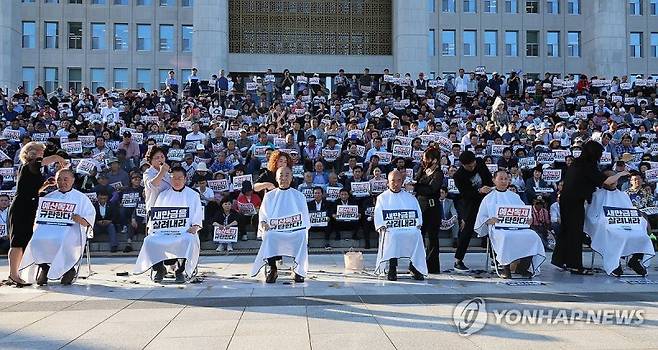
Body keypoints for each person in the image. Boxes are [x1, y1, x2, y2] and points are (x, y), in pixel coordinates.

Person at [551, 141, 630, 275]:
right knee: (575, 233)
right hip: (574, 201)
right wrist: (620, 174)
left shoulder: (578, 163)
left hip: (568, 199)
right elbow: (606, 181)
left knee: (567, 230)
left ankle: (560, 260)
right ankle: (575, 265)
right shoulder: (586, 166)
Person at [19, 169, 95, 285]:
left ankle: (69, 269)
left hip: (72, 230)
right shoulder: (50, 196)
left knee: (61, 240)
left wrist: (80, 219)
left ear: (72, 180)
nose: (62, 182)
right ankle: (45, 268)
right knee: (35, 241)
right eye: (59, 179)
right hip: (48, 229)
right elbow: (38, 212)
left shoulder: (81, 198)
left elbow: (89, 219)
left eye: (65, 179)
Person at [7, 141, 67, 287]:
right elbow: (47, 160)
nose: (41, 153)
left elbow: (33, 190)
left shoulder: (32, 168)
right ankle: (13, 275)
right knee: (17, 241)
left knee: (23, 240)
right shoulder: (30, 165)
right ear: (30, 153)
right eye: (40, 151)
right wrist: (58, 158)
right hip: (22, 206)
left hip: (28, 206)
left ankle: (15, 274)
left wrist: (45, 185)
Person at [134, 167, 203, 283]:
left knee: (189, 240)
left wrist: (195, 226)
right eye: (173, 178)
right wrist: (153, 228)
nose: (176, 181)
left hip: (185, 231)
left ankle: (180, 271)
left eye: (179, 178)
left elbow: (197, 215)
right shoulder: (163, 195)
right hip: (164, 231)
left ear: (185, 179)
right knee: (149, 240)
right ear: (170, 179)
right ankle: (159, 269)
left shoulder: (193, 195)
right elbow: (156, 216)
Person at [473, 170, 546, 278]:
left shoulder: (514, 196)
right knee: (505, 237)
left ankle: (522, 268)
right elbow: (481, 217)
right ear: (494, 180)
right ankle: (505, 267)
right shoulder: (488, 198)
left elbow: (524, 212)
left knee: (533, 236)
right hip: (498, 228)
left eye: (506, 179)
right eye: (501, 179)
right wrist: (489, 220)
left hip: (517, 228)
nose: (503, 181)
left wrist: (529, 219)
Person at [251, 167, 310, 283]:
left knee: (302, 234)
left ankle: (298, 270)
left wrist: (301, 226)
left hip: (294, 230)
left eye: (287, 175)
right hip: (275, 230)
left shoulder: (299, 196)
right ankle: (273, 269)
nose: (284, 178)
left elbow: (304, 216)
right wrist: (263, 223)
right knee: (269, 235)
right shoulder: (269, 196)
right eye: (281, 175)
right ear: (276, 178)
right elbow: (263, 214)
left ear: (292, 178)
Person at [583, 179, 654, 276]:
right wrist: (604, 221)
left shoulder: (623, 195)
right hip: (608, 226)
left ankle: (635, 260)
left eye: (615, 179)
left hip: (626, 225)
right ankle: (615, 263)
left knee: (642, 235)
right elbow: (592, 216)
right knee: (614, 236)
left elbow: (629, 210)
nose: (613, 181)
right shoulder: (597, 195)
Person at [374, 169, 427, 281]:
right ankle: (392, 268)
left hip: (407, 228)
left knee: (417, 235)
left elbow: (417, 214)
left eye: (399, 180)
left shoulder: (410, 198)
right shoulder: (382, 198)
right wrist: (381, 225)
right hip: (390, 230)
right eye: (393, 181)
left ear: (402, 182)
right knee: (393, 236)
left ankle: (415, 267)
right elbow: (379, 215)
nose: (396, 184)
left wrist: (418, 224)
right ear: (388, 182)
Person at [453, 150, 494, 272]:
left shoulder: (480, 163)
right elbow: (465, 193)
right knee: (466, 231)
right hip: (470, 204)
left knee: (493, 228)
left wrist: (488, 188)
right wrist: (479, 191)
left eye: (473, 165)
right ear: (463, 165)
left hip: (487, 200)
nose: (472, 168)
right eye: (469, 167)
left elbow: (488, 178)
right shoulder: (458, 175)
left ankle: (495, 258)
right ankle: (458, 260)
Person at [412, 146, 443, 274]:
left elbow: (431, 189)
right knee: (419, 236)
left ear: (434, 160)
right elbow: (416, 179)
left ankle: (432, 266)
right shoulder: (424, 170)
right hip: (420, 206)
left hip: (432, 207)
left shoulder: (438, 173)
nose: (424, 161)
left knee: (432, 238)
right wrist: (421, 168)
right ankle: (416, 263)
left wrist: (416, 187)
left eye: (426, 159)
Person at [143, 146, 171, 213]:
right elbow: (152, 185)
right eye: (157, 158)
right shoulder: (148, 173)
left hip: (167, 207)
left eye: (162, 157)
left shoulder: (168, 173)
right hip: (154, 208)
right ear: (151, 160)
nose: (160, 160)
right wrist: (162, 172)